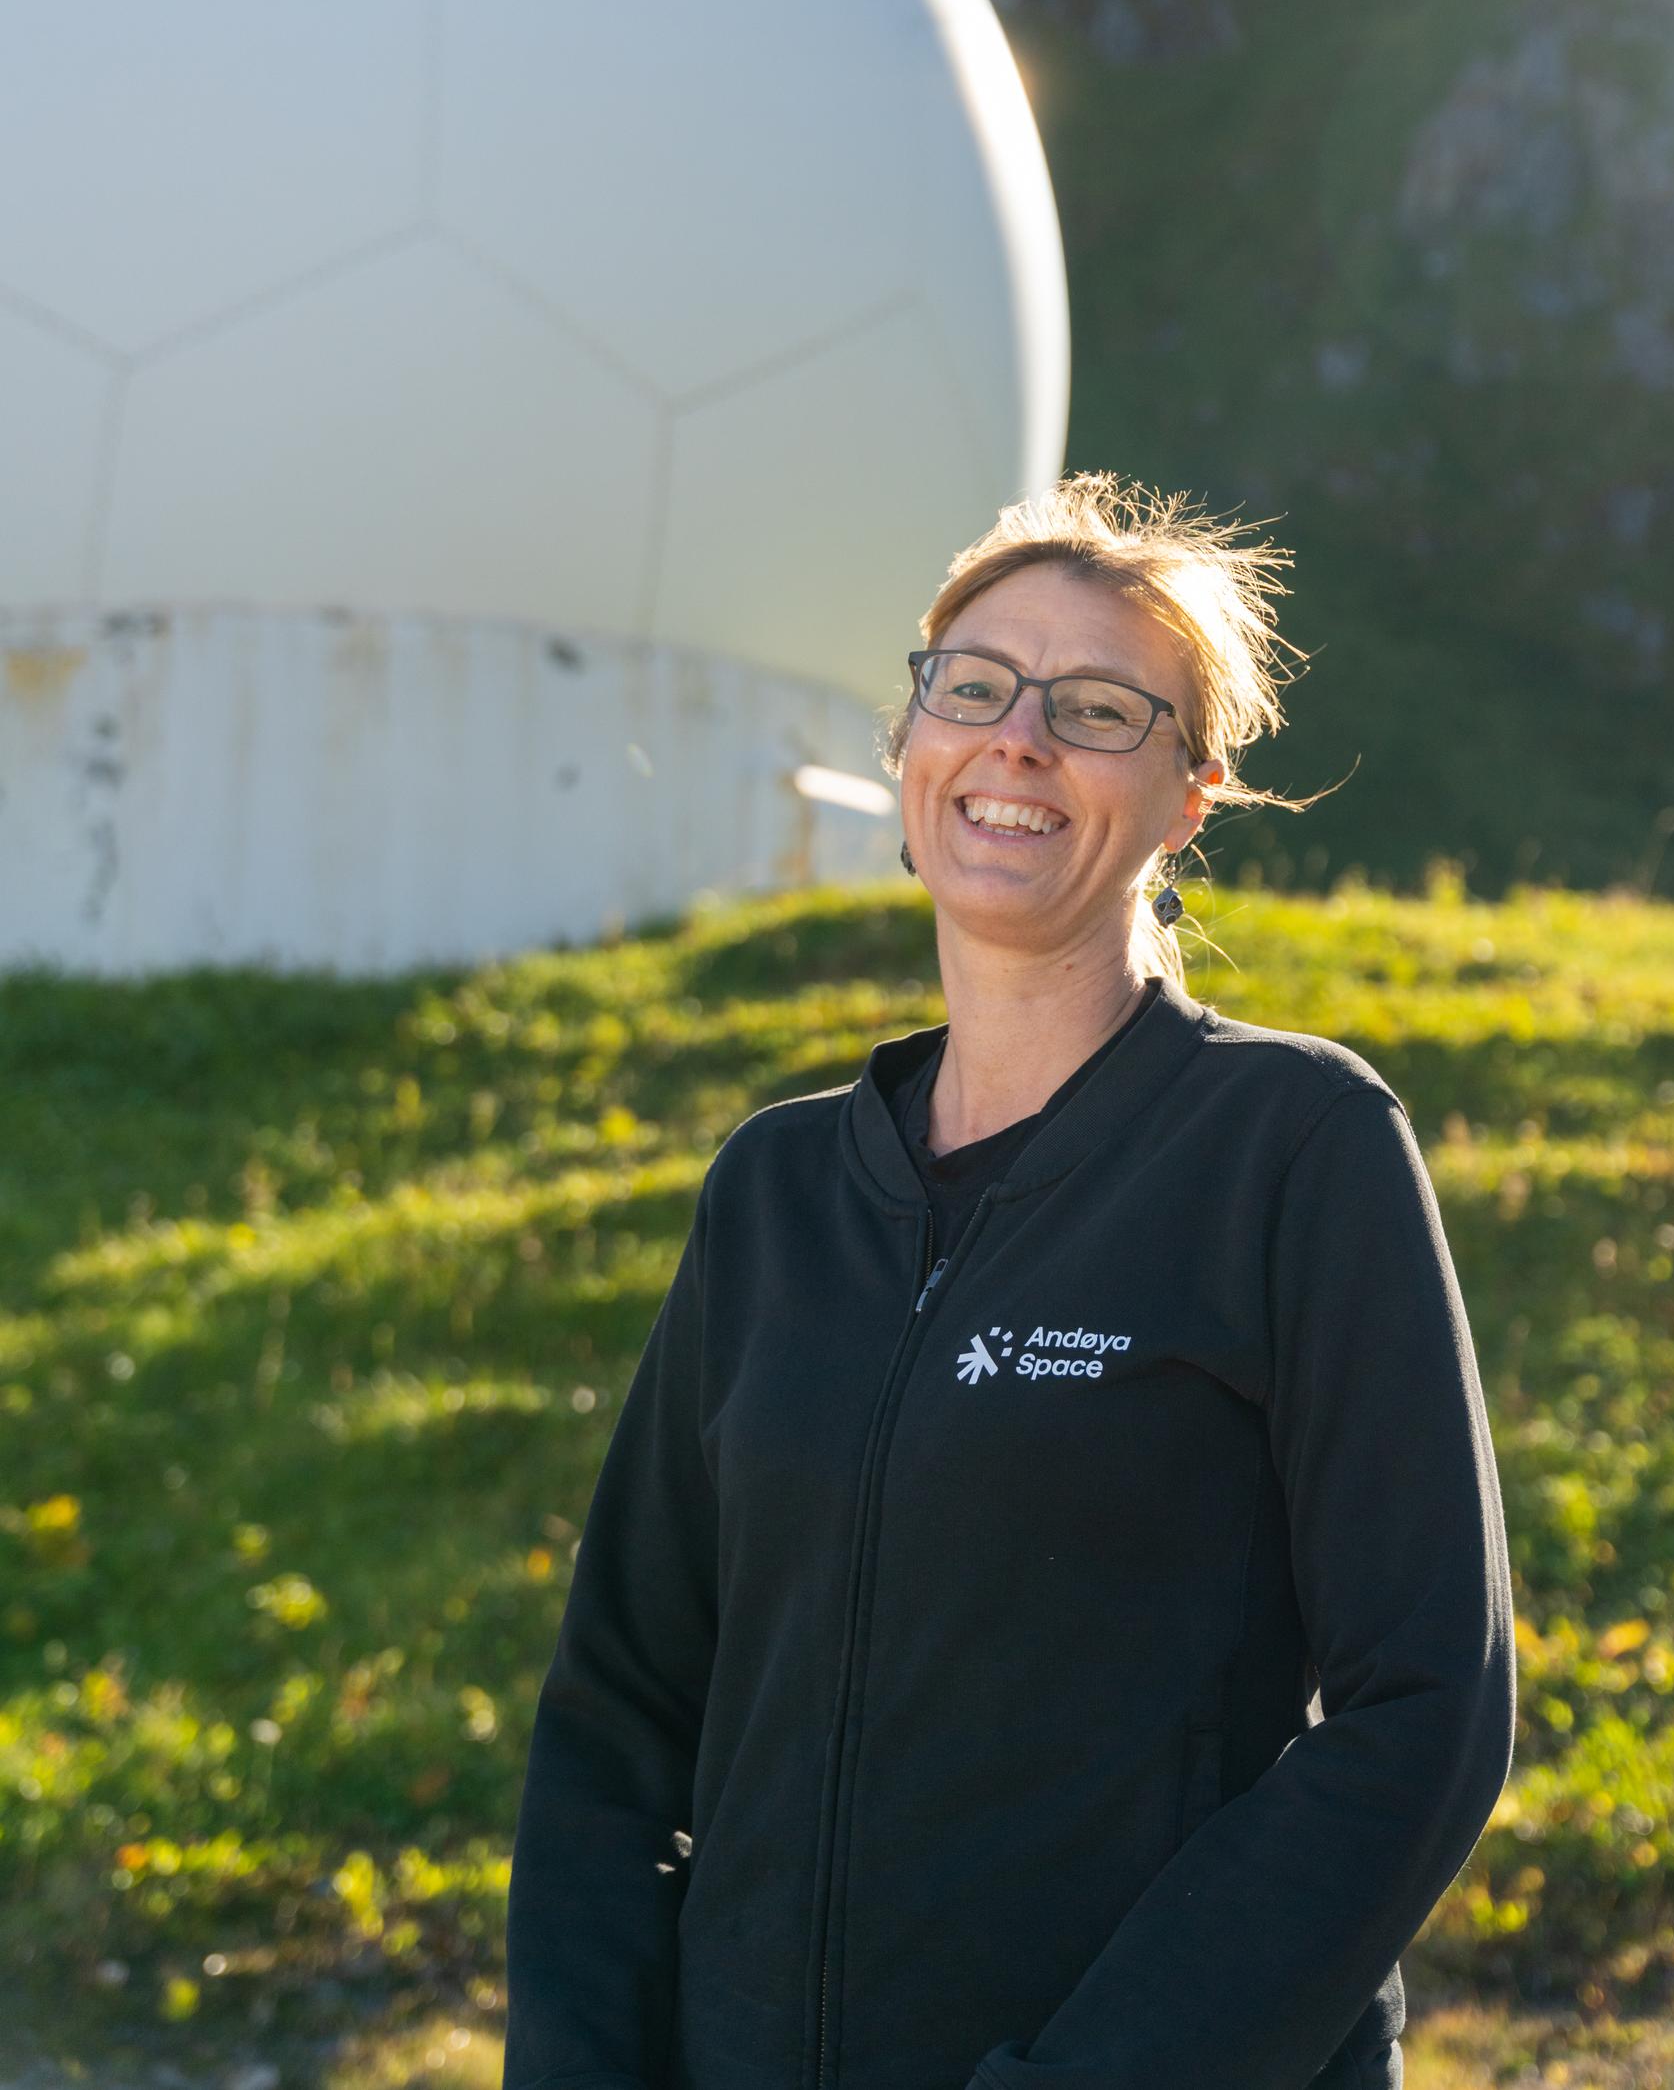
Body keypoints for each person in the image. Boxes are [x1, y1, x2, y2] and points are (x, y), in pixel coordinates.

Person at [500, 471, 1516, 2090]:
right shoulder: (775, 1191)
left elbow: (1427, 1711)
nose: (1018, 740)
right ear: (911, 744)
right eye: (973, 688)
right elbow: (619, 1718)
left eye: (1099, 710)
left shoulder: (1292, 1146)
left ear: (1188, 799)